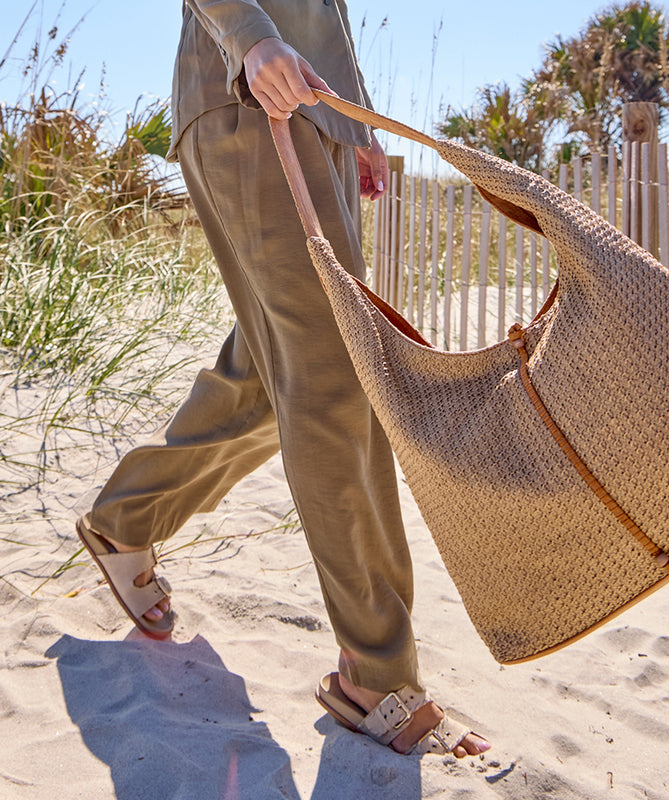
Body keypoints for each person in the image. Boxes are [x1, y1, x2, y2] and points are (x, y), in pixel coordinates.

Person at [76, 0, 489, 758]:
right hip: (249, 93)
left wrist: (354, 123)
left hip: (312, 105)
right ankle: (378, 673)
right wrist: (249, 35)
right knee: (334, 380)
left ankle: (128, 519)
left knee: (279, 373)